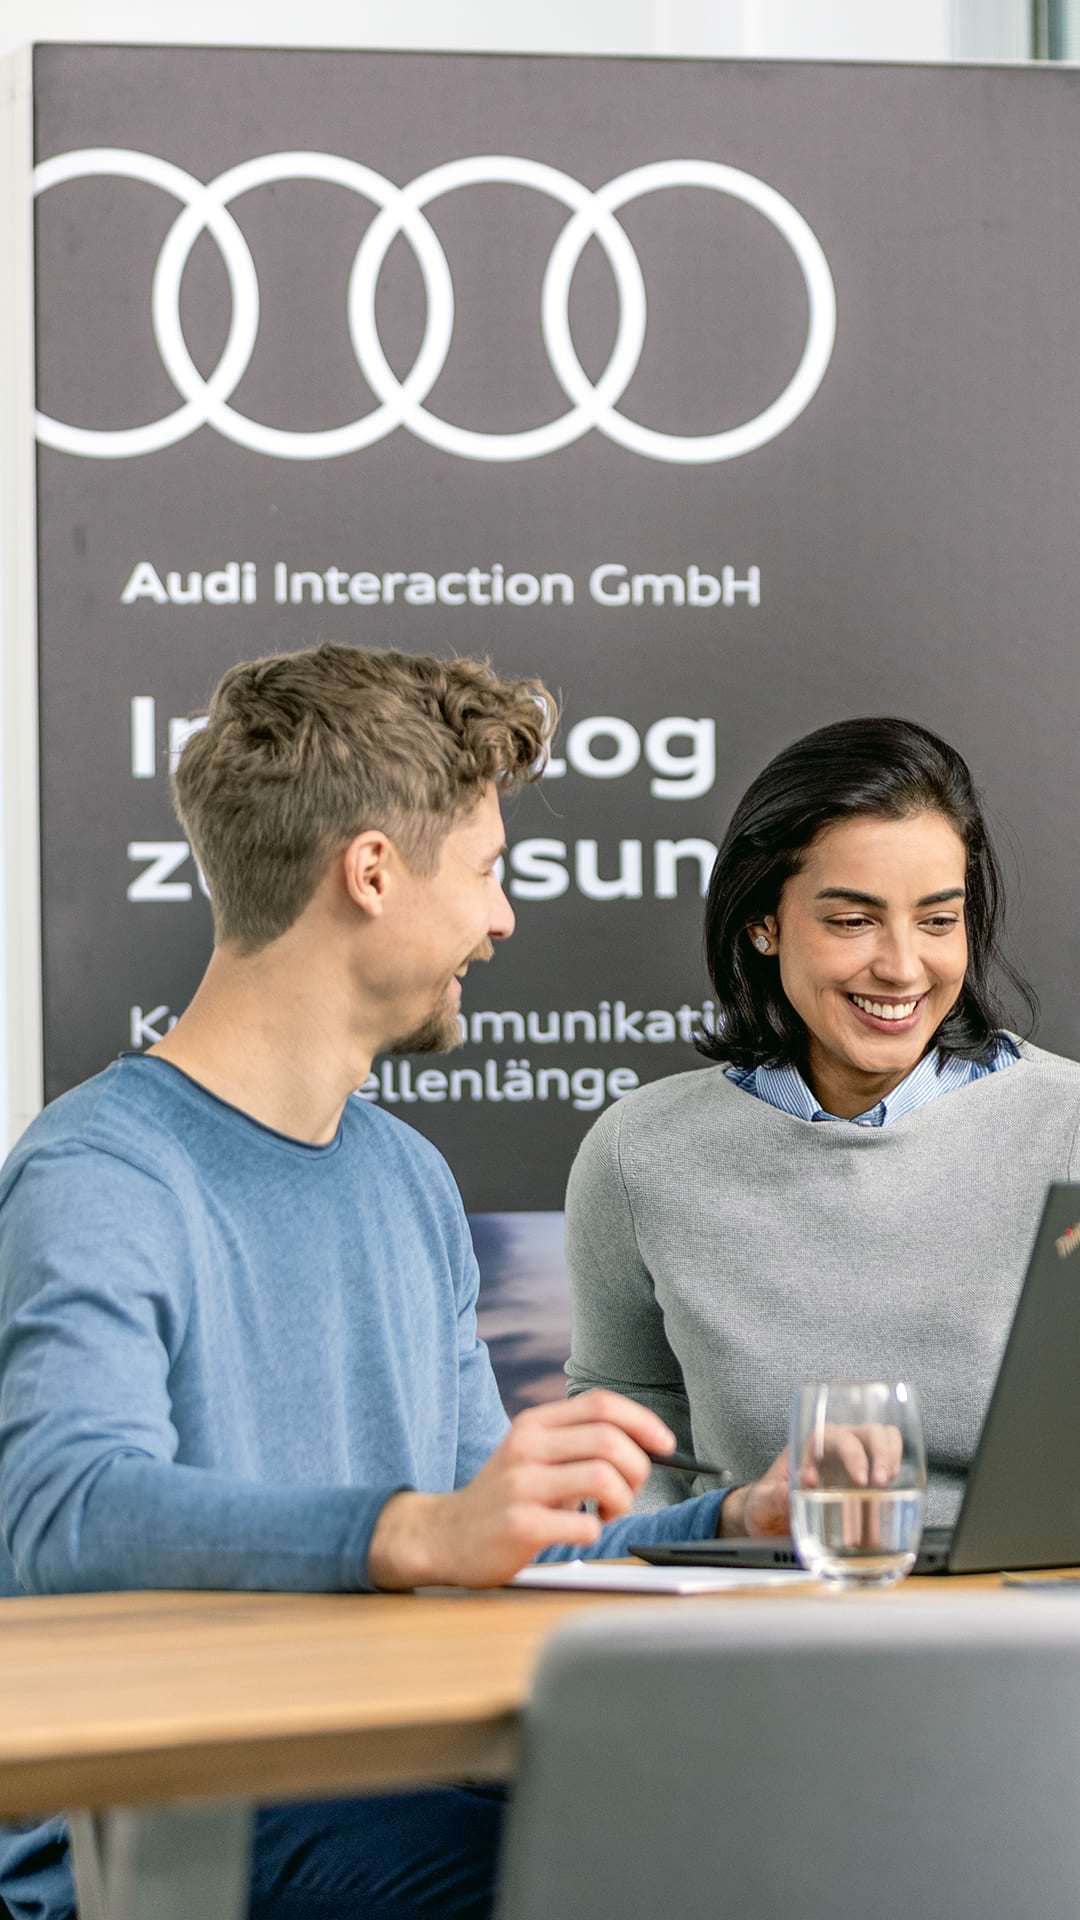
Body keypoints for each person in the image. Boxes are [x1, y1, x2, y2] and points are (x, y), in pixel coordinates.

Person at [0, 644, 730, 1920]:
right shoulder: (99, 1171)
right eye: (490, 871)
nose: (503, 918)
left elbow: (480, 1544)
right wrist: (416, 1533)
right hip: (172, 1827)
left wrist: (727, 1534)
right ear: (374, 872)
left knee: (768, 1827)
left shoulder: (405, 1177)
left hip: (395, 1775)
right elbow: (57, 1510)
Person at [566, 716, 1080, 1537]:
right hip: (751, 1622)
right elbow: (625, 1428)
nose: (904, 966)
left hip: (1035, 1623)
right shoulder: (640, 1154)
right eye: (853, 920)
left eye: (939, 921)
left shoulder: (1071, 1128)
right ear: (762, 922)